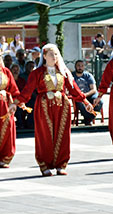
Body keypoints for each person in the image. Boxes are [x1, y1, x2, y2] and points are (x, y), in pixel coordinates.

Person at [11, 44, 94, 176]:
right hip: (44, 106)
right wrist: (16, 103)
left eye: (56, 54)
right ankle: (45, 165)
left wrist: (84, 101)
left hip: (62, 106)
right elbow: (27, 91)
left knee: (62, 134)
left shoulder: (62, 71)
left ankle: (61, 164)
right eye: (51, 54)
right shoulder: (37, 73)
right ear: (44, 56)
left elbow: (73, 89)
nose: (54, 57)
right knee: (45, 135)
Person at [0, 56, 21, 168]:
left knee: (7, 129)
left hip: (4, 105)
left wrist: (18, 101)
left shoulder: (6, 72)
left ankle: (4, 157)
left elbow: (14, 89)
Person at [72, 60, 102, 125]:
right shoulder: (72, 76)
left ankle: (88, 119)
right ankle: (89, 119)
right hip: (78, 96)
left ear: (84, 67)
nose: (80, 67)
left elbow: (94, 89)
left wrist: (85, 94)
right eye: (78, 65)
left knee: (99, 101)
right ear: (75, 66)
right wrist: (81, 96)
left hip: (89, 94)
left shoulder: (88, 76)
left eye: (82, 66)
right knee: (80, 102)